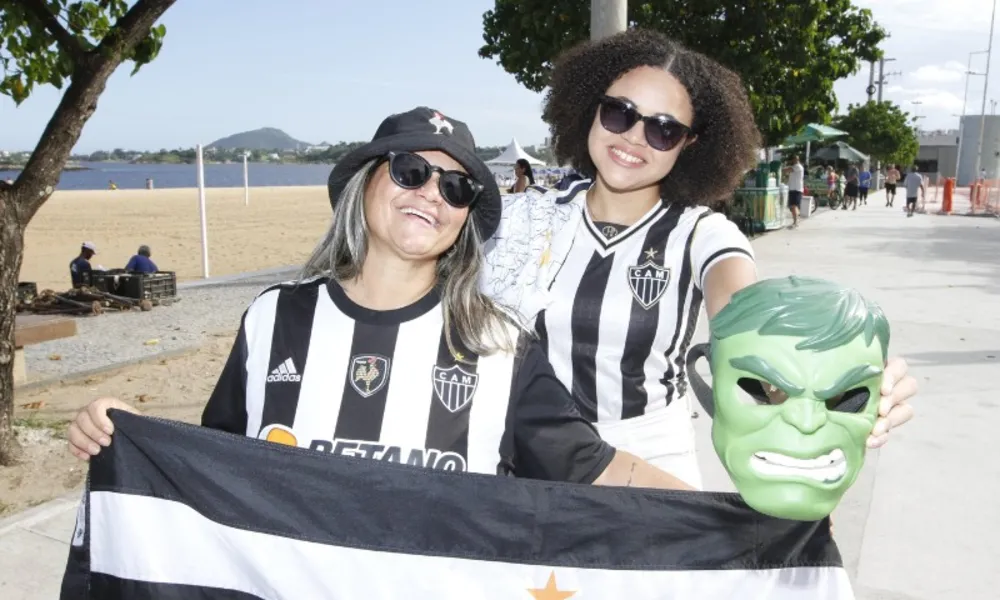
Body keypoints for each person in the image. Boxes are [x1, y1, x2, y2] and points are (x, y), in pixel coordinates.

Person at [67, 106, 694, 492]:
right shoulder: (276, 316)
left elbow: (599, 468)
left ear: (465, 221)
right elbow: (216, 465)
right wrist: (129, 433)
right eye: (409, 172)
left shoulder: (500, 345)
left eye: (455, 187)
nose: (431, 194)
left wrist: (744, 523)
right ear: (365, 184)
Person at [479, 29, 917, 489]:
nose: (633, 137)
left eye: (663, 128)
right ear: (592, 109)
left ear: (690, 143)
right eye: (619, 113)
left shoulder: (701, 235)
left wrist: (841, 381)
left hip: (647, 464)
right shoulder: (524, 219)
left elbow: (749, 327)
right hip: (523, 458)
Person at [783, 154, 804, 228]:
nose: (793, 161)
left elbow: (787, 170)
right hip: (792, 189)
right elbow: (788, 172)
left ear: (797, 160)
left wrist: (781, 168)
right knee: (792, 207)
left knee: (793, 206)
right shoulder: (794, 167)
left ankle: (795, 222)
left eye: (794, 159)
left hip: (796, 189)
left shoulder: (798, 166)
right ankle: (796, 220)